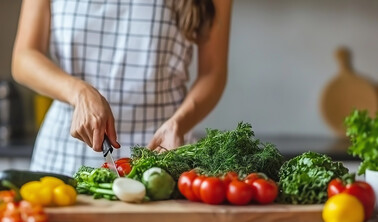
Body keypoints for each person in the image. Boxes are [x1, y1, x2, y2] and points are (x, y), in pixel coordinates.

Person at [12, 0, 232, 176]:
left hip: (162, 154)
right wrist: (79, 92)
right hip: (64, 156)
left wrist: (179, 124)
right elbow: (24, 58)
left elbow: (212, 73)